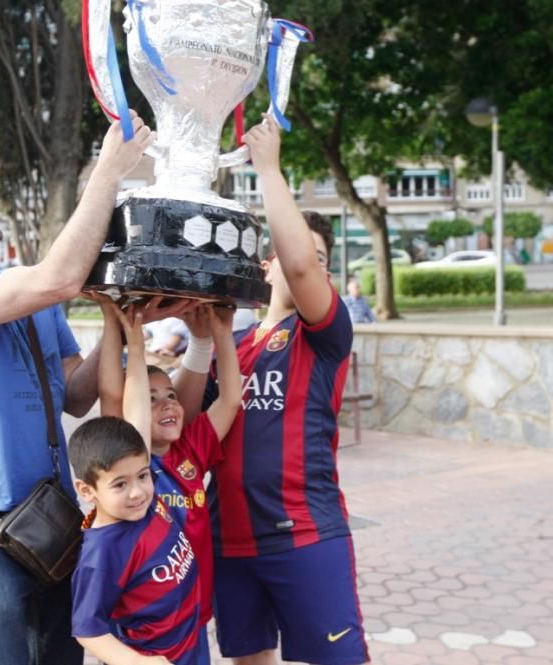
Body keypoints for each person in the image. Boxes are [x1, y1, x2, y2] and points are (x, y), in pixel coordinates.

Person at [0, 112, 173, 665]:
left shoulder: (28, 297)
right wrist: (108, 171)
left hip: (53, 515)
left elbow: (73, 392)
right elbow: (61, 278)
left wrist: (120, 322)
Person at [184, 115, 369, 665]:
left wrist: (269, 168)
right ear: (266, 268)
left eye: (318, 258)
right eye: (293, 253)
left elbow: (301, 268)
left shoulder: (324, 335)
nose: (304, 263)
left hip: (306, 538)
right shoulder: (233, 342)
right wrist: (203, 342)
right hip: (228, 540)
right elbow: (189, 423)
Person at [69, 303, 208, 665]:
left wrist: (135, 338)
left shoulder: (144, 492)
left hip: (191, 646)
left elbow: (135, 411)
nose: (138, 491)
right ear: (87, 491)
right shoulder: (101, 554)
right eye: (119, 485)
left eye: (144, 476)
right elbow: (87, 628)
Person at [97, 297, 241, 638]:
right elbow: (110, 393)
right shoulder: (132, 459)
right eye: (151, 398)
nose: (166, 404)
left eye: (171, 394)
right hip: (141, 625)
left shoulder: (192, 448)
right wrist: (131, 343)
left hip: (191, 617)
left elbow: (231, 399)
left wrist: (222, 332)